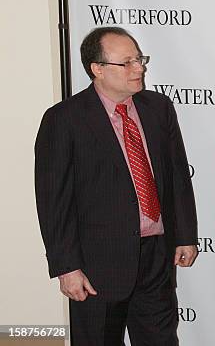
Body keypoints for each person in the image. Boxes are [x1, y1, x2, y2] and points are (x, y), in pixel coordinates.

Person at [35, 27, 198, 345]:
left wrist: (185, 235)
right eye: (128, 62)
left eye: (139, 59)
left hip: (155, 258)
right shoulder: (64, 119)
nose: (140, 68)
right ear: (97, 69)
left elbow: (177, 176)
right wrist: (67, 267)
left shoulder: (158, 108)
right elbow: (54, 201)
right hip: (98, 265)